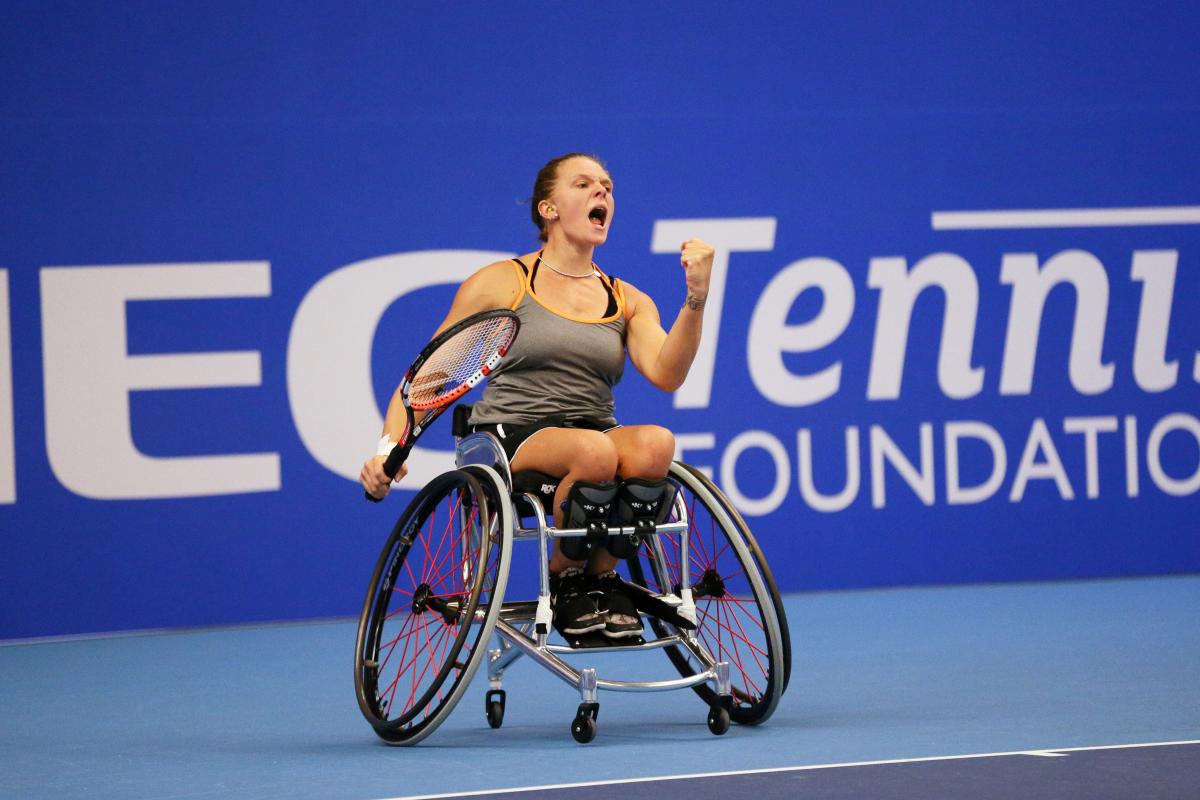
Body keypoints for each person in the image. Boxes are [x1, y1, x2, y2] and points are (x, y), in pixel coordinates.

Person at [360, 153, 713, 641]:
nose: (602, 194)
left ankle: (601, 578)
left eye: (607, 187)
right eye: (585, 184)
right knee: (595, 452)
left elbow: (667, 373)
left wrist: (696, 298)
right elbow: (426, 378)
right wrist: (387, 450)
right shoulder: (504, 281)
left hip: (596, 432)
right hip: (510, 435)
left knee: (655, 444)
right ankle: (565, 581)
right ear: (548, 209)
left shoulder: (626, 298)